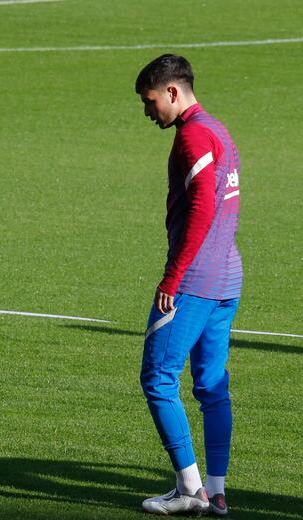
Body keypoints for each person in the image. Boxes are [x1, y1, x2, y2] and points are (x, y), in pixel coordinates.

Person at [134, 54, 242, 516]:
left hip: (194, 282)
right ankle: (215, 492)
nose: (147, 111)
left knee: (158, 379)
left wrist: (172, 277)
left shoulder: (193, 136)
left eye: (150, 100)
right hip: (227, 279)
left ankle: (189, 490)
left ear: (172, 92)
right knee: (212, 387)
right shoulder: (218, 130)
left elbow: (202, 210)